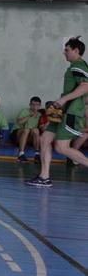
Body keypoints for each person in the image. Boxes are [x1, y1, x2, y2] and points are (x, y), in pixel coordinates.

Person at [26, 37, 88, 188]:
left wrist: (63, 100)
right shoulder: (74, 66)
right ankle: (44, 177)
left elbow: (85, 86)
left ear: (76, 50)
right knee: (45, 139)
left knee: (61, 147)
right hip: (61, 112)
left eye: (67, 50)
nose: (64, 53)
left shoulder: (79, 66)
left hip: (71, 112)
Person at [11, 96, 42, 162]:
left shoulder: (40, 114)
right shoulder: (24, 111)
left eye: (37, 105)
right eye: (33, 104)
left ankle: (37, 154)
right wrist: (30, 115)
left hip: (29, 137)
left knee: (36, 130)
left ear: (39, 106)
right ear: (30, 105)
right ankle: (21, 154)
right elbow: (19, 122)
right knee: (26, 129)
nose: (34, 107)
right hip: (17, 135)